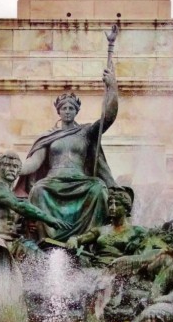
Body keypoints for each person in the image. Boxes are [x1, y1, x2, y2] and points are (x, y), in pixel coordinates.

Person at [17, 63, 119, 243]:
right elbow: (34, 162)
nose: (67, 111)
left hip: (80, 181)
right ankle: (44, 241)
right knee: (38, 190)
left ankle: (89, 240)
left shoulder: (86, 132)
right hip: (54, 181)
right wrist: (16, 168)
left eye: (71, 108)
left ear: (76, 111)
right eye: (64, 108)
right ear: (58, 111)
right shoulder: (49, 136)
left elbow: (108, 117)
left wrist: (112, 87)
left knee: (98, 189)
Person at [0, 151, 72, 272]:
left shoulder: (13, 195)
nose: (11, 169)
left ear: (18, 172)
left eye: (15, 166)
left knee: (44, 264)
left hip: (15, 243)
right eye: (7, 165)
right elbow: (20, 206)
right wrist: (49, 219)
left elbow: (19, 219)